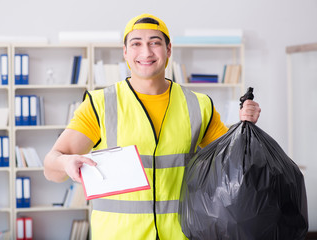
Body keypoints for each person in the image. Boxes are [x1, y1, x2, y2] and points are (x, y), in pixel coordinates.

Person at [44, 13, 261, 240]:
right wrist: (66, 162)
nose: (146, 52)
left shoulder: (199, 105)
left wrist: (246, 126)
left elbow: (235, 165)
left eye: (155, 43)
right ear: (125, 53)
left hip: (181, 235)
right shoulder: (99, 105)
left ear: (168, 50)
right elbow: (51, 167)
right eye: (136, 43)